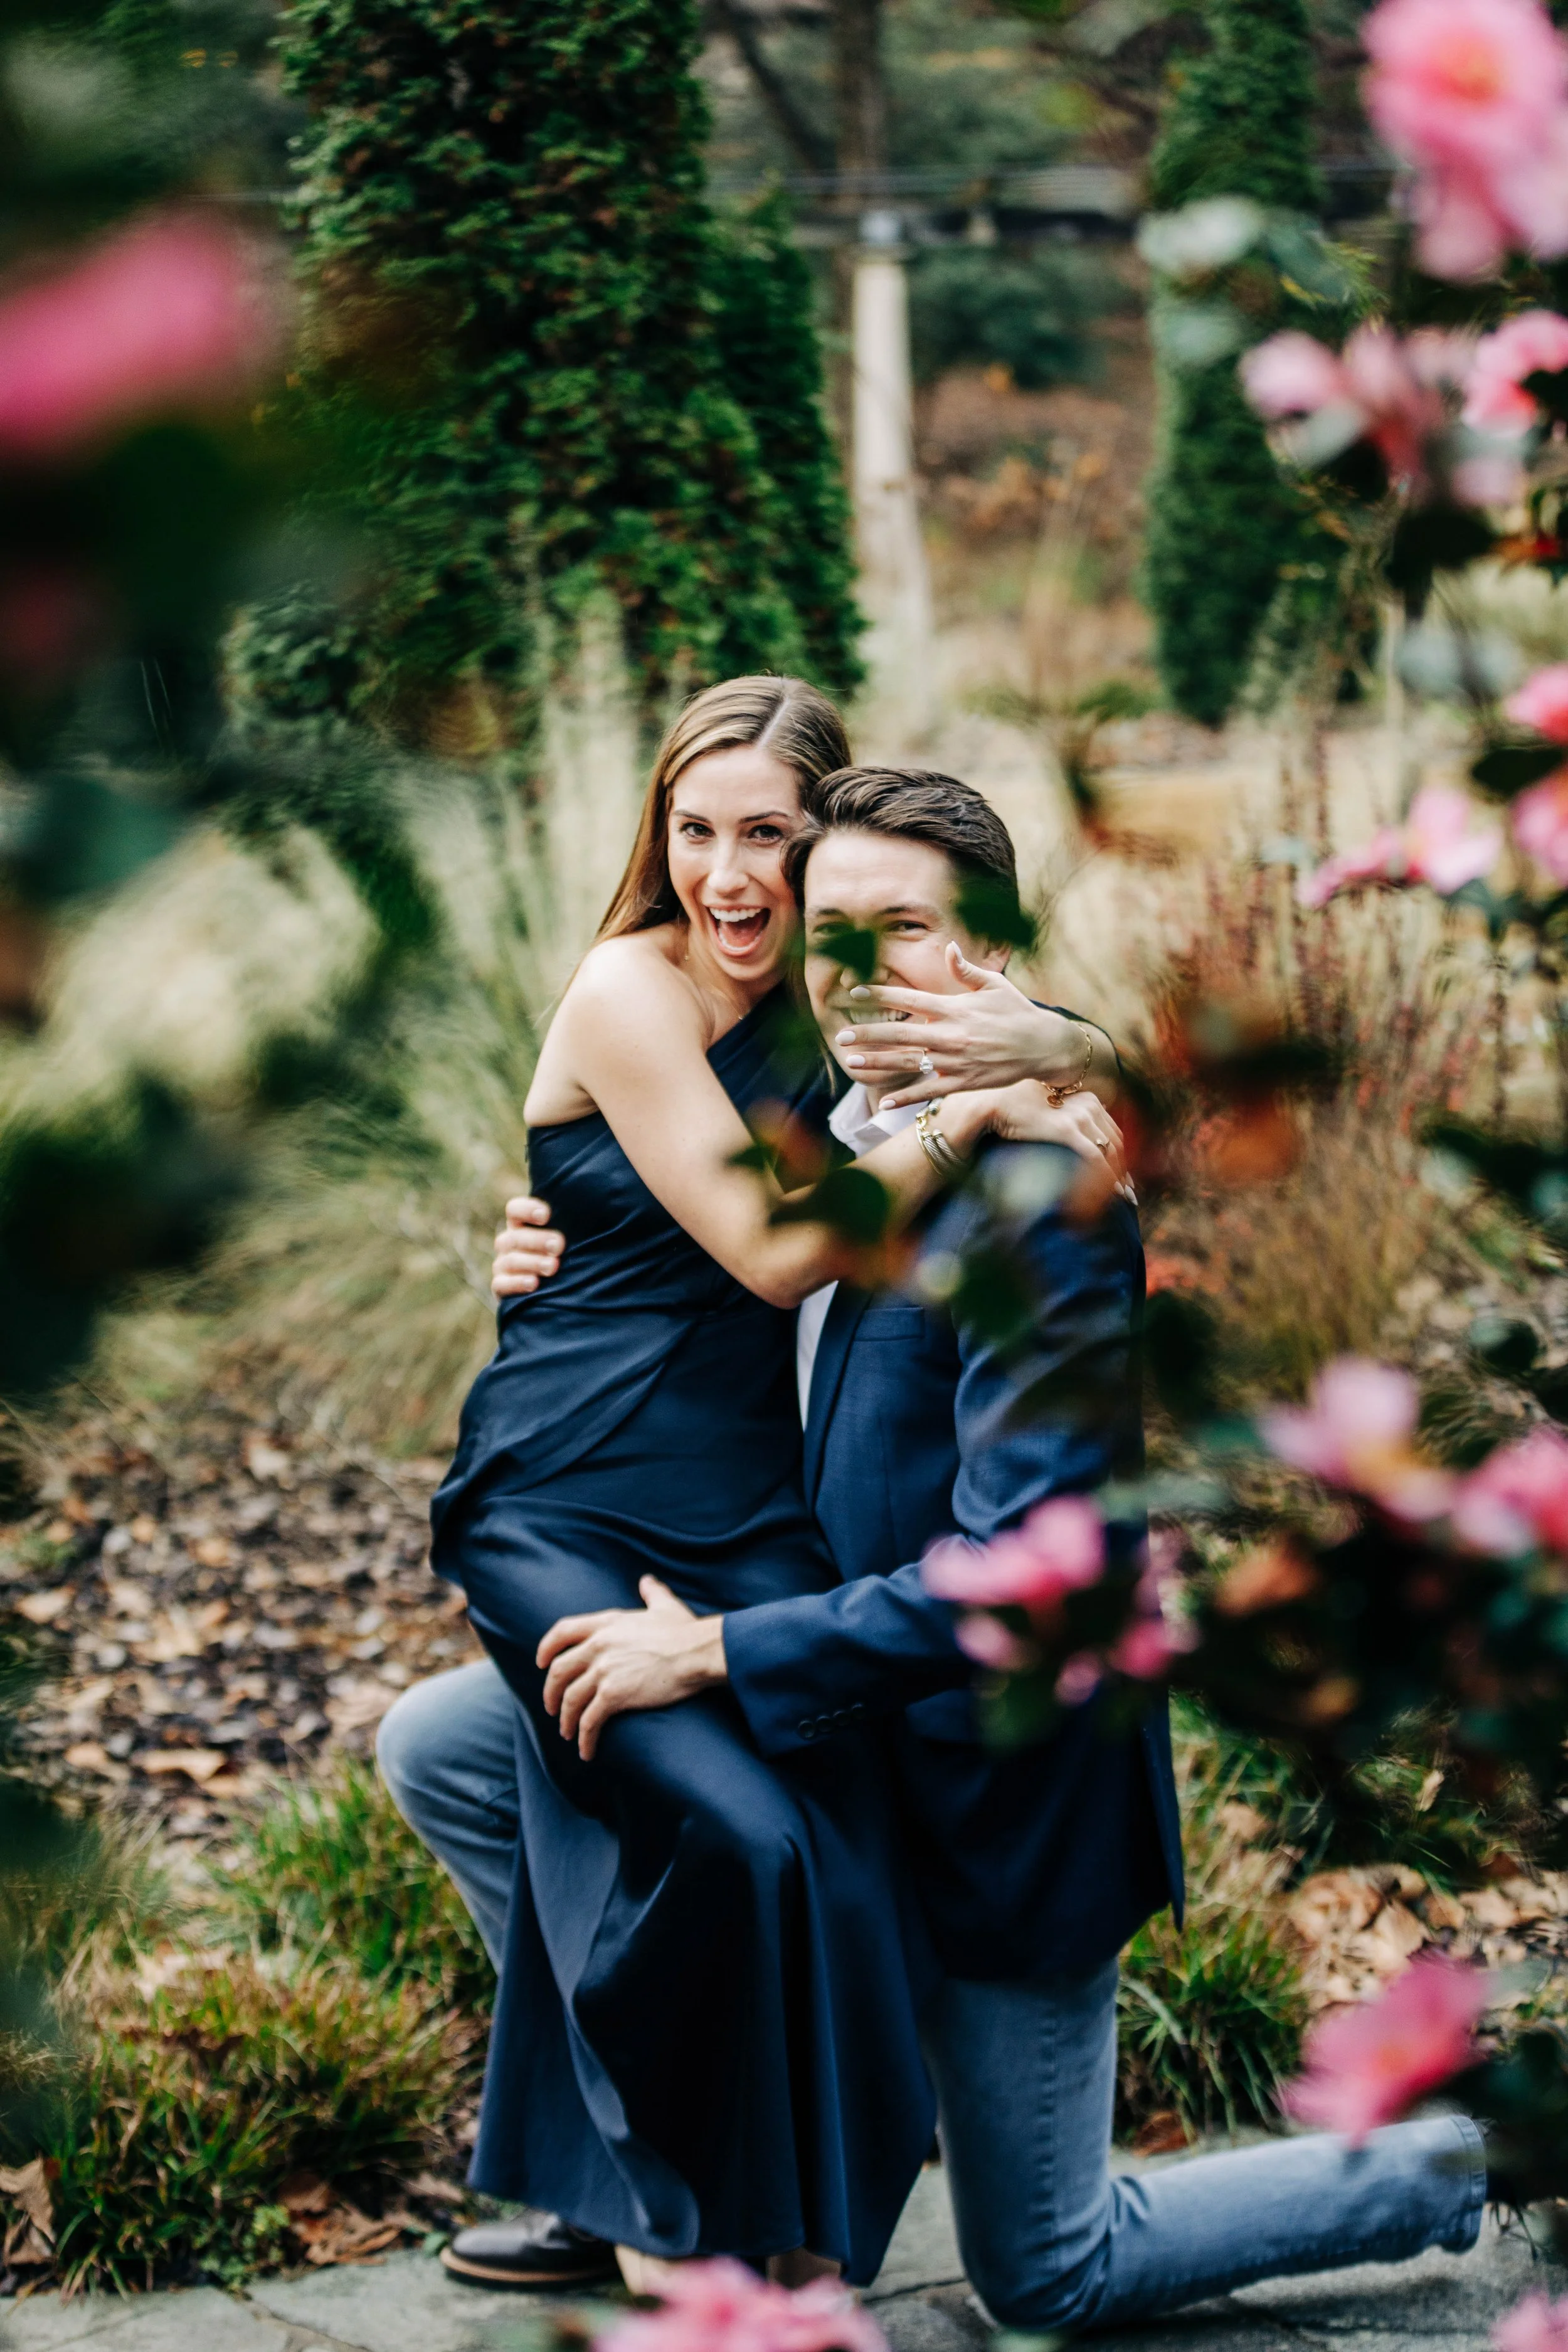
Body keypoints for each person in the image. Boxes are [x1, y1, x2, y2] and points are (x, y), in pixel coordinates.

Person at [393, 765, 1494, 2326]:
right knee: (450, 1744)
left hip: (986, 1783)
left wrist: (704, 1650)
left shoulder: (1039, 1196)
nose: (850, 971)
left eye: (901, 930)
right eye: (824, 933)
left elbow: (1019, 1580)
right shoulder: (810, 1122)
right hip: (823, 1737)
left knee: (1044, 2272)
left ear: (987, 949)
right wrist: (537, 1263)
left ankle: (1460, 2160)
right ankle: (656, 2135)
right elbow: (673, 1274)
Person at [420, 677, 1117, 2294]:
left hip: (735, 1515)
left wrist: (1058, 1061)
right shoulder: (627, 991)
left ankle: (712, 2202)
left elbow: (1044, 1038)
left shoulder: (830, 1017)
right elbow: (761, 1254)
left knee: (811, 1829)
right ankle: (688, 2231)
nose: (727, 874)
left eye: (767, 839)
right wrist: (972, 1120)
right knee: (729, 1830)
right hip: (571, 1486)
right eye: (693, 830)